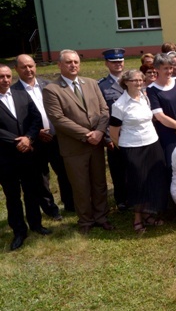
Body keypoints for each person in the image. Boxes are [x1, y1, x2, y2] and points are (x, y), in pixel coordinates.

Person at [43, 50, 113, 234]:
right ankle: (85, 221)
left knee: (99, 183)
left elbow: (104, 110)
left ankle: (101, 216)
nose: (73, 65)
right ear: (59, 65)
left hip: (96, 144)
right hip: (74, 147)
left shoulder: (91, 83)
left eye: (76, 62)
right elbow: (58, 119)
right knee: (80, 186)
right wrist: (87, 134)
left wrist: (98, 132)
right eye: (68, 62)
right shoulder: (52, 89)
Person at [12, 54, 74, 217]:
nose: (28, 69)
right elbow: (15, 119)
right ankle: (50, 209)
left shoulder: (48, 85)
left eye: (31, 66)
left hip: (56, 138)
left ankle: (70, 203)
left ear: (35, 67)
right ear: (16, 69)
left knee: (65, 172)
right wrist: (35, 133)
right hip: (35, 141)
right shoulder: (13, 92)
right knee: (41, 178)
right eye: (24, 67)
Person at [109, 69, 167, 233]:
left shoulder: (145, 97)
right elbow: (113, 133)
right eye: (134, 80)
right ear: (126, 82)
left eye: (140, 80)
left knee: (153, 179)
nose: (139, 83)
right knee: (138, 183)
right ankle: (137, 218)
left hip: (152, 144)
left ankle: (149, 213)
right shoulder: (119, 105)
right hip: (132, 148)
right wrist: (124, 149)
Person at [0, 64, 50, 251]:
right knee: (12, 196)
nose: (5, 79)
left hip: (28, 154)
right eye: (1, 76)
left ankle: (36, 224)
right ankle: (19, 231)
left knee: (32, 191)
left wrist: (29, 138)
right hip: (5, 158)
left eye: (7, 76)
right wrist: (16, 141)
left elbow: (35, 118)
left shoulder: (21, 94)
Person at [147, 53, 176, 169]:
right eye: (165, 68)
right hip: (169, 134)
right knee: (174, 165)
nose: (169, 71)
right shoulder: (152, 89)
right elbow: (160, 116)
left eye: (170, 68)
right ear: (157, 69)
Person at [98, 48, 128, 211]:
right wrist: (108, 138)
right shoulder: (102, 86)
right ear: (107, 63)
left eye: (120, 61)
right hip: (115, 135)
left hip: (132, 133)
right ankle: (121, 199)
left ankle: (134, 196)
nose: (118, 64)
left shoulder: (132, 80)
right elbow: (102, 114)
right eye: (114, 62)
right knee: (117, 169)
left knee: (133, 166)